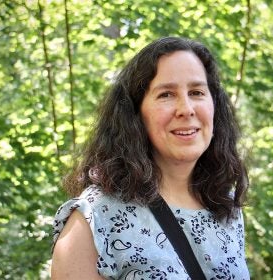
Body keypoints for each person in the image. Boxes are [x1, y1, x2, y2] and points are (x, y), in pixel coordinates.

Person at [51, 36, 250, 279]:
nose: (186, 109)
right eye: (166, 94)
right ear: (135, 114)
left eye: (197, 92)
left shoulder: (225, 207)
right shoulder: (96, 216)